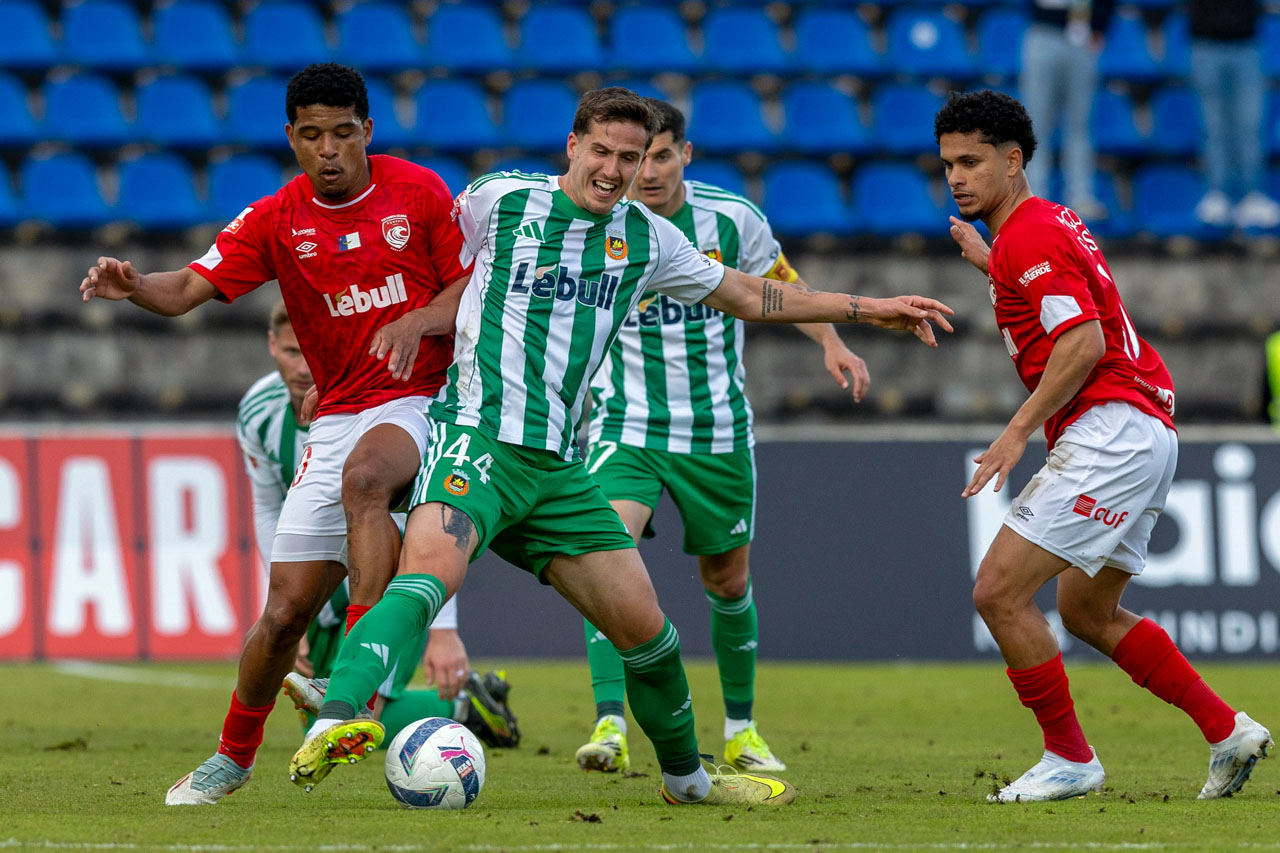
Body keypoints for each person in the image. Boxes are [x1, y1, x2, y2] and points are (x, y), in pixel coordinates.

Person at [287, 86, 953, 807]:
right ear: (572, 146)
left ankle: (689, 782)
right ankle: (337, 716)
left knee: (651, 633)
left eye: (629, 158)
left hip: (558, 469)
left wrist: (870, 307)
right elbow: (422, 263)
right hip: (475, 439)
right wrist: (365, 363)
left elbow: (750, 294)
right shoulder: (497, 200)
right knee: (426, 578)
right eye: (601, 151)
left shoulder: (648, 238)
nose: (613, 169)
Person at [80, 63, 473, 805]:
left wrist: (422, 319)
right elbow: (188, 287)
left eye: (344, 134)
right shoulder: (276, 218)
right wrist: (134, 287)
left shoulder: (417, 193)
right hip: (338, 416)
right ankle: (231, 755)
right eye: (313, 136)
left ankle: (352, 687)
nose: (329, 150)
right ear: (291, 137)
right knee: (284, 611)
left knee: (368, 479)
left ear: (368, 132)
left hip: (426, 399)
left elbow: (469, 285)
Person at [935, 89, 1272, 802]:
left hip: (1108, 430)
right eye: (947, 166)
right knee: (1087, 611)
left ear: (1013, 158)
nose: (957, 177)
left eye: (971, 162)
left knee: (997, 591)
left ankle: (1069, 756)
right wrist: (988, 260)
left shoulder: (1028, 238)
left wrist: (1017, 429)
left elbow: (1081, 342)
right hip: (1145, 426)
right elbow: (1054, 298)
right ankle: (1225, 729)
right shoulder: (1042, 226)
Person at [574, 98, 868, 776]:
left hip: (717, 430)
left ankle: (740, 728)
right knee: (604, 554)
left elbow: (779, 283)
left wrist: (831, 340)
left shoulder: (732, 220)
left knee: (728, 580)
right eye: (637, 155)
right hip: (627, 422)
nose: (645, 170)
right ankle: (610, 722)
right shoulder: (601, 218)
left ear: (686, 154)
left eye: (661, 155)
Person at [239, 300, 519, 747]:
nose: (303, 368)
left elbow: (427, 519)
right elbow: (269, 509)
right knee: (317, 719)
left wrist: (442, 628)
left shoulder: (384, 400)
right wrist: (284, 603)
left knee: (354, 715)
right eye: (291, 352)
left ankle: (457, 706)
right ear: (272, 346)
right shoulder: (258, 412)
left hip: (390, 580)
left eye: (310, 351)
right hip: (326, 581)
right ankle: (463, 706)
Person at [1188, 0, 1280, 230]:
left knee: (1249, 126)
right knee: (1212, 127)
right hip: (1205, 44)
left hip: (1246, 44)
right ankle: (1217, 195)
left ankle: (1251, 195)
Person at [1020, 0, 1114, 221]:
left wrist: (1100, 25)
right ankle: (1033, 198)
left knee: (1080, 125)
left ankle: (1080, 196)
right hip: (1042, 33)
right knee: (1035, 125)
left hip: (1082, 35)